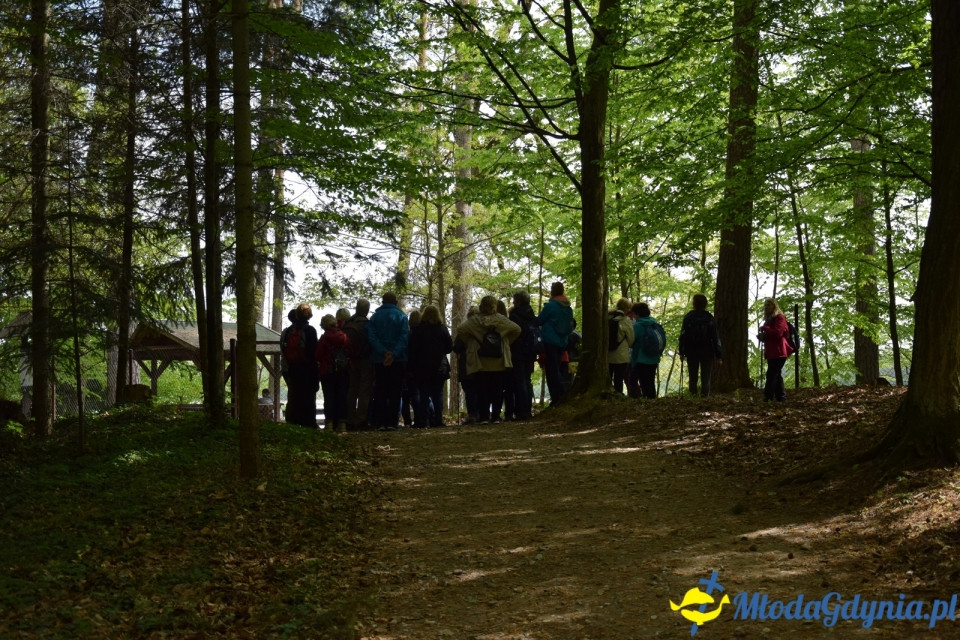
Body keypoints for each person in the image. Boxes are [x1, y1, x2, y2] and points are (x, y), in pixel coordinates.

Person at [455, 295, 521, 424]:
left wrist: (472, 342)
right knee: (498, 389)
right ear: (494, 306)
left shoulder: (474, 320)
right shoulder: (501, 320)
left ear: (481, 306)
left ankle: (484, 417)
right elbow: (517, 329)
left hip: (481, 360)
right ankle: (496, 416)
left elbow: (461, 329)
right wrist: (505, 342)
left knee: (482, 389)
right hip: (499, 360)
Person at [367, 292, 409, 431]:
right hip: (398, 360)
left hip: (380, 360)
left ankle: (381, 422)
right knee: (395, 391)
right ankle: (392, 422)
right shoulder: (402, 316)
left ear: (383, 301)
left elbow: (372, 337)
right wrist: (394, 354)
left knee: (381, 390)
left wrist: (383, 352)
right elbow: (404, 337)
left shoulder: (374, 317)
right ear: (395, 302)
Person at [407, 305, 453, 428]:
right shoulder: (442, 329)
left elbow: (412, 350)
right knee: (438, 394)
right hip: (439, 368)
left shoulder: (418, 330)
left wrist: (411, 367)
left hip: (422, 367)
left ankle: (423, 421)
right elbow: (449, 347)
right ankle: (437, 420)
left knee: (424, 394)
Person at [280, 303, 319, 427]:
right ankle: (309, 423)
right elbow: (314, 351)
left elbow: (283, 349)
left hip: (292, 368)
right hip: (308, 368)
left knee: (294, 395)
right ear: (309, 315)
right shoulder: (310, 330)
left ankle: (292, 421)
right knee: (308, 395)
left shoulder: (287, 331)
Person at [538, 282, 576, 404]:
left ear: (552, 291)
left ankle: (558, 397)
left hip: (550, 341)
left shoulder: (551, 306)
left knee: (552, 370)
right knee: (557, 369)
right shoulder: (568, 307)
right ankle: (560, 396)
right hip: (562, 342)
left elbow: (539, 320)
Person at [678, 294, 722, 398]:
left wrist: (681, 352)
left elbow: (683, 336)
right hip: (707, 351)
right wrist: (718, 355)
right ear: (705, 304)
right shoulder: (709, 318)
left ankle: (693, 397)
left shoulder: (689, 317)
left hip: (691, 351)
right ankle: (704, 398)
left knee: (693, 377)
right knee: (705, 378)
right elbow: (715, 337)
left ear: (694, 304)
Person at [316, 314, 352, 432]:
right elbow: (350, 351)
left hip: (327, 372)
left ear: (323, 325)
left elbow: (318, 355)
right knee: (342, 397)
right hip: (343, 371)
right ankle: (342, 424)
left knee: (329, 398)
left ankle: (329, 424)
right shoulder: (344, 336)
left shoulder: (323, 338)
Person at [343, 298, 374, 431]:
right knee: (364, 391)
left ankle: (349, 419)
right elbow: (372, 342)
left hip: (351, 360)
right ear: (367, 310)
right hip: (366, 360)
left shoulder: (348, 323)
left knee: (352, 389)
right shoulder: (369, 325)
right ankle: (361, 420)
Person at [506, 290, 537, 421]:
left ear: (518, 302)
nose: (513, 303)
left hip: (518, 352)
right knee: (527, 380)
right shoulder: (532, 315)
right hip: (531, 351)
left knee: (519, 381)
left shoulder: (515, 316)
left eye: (514, 300)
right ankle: (527, 410)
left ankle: (521, 411)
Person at [758, 297, 793, 402]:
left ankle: (768, 397)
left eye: (768, 305)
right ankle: (781, 397)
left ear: (774, 306)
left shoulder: (780, 318)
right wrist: (762, 337)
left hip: (779, 351)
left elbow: (778, 332)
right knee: (776, 374)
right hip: (771, 351)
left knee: (771, 374)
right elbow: (770, 335)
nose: (766, 307)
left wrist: (765, 328)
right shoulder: (768, 320)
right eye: (765, 305)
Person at [453, 306, 480, 424]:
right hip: (482, 363)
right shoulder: (484, 328)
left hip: (467, 364)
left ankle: (473, 415)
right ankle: (481, 414)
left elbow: (456, 347)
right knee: (480, 390)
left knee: (469, 391)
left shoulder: (464, 330)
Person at [630, 302, 663, 399]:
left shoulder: (637, 326)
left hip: (641, 359)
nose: (633, 316)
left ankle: (647, 402)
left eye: (634, 314)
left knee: (644, 383)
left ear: (637, 314)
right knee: (651, 382)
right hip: (654, 358)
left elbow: (631, 342)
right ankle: (653, 400)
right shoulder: (654, 323)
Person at [608, 303, 635, 395]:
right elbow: (631, 339)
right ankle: (618, 395)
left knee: (608, 378)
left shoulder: (607, 317)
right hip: (621, 355)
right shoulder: (625, 320)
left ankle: (608, 395)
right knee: (618, 379)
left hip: (607, 355)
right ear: (626, 308)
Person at [401, 309, 422, 428]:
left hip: (406, 366)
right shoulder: (423, 334)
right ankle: (419, 418)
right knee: (416, 394)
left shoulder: (407, 333)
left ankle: (407, 421)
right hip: (419, 368)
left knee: (405, 396)